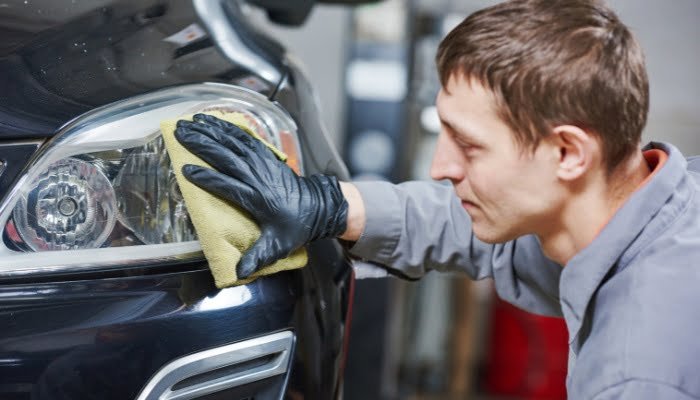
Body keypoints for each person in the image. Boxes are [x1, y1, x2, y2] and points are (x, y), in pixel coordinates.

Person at [174, 0, 700, 398]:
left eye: (469, 146)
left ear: (567, 152)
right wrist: (327, 206)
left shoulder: (637, 372)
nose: (440, 168)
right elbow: (481, 230)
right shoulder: (651, 201)